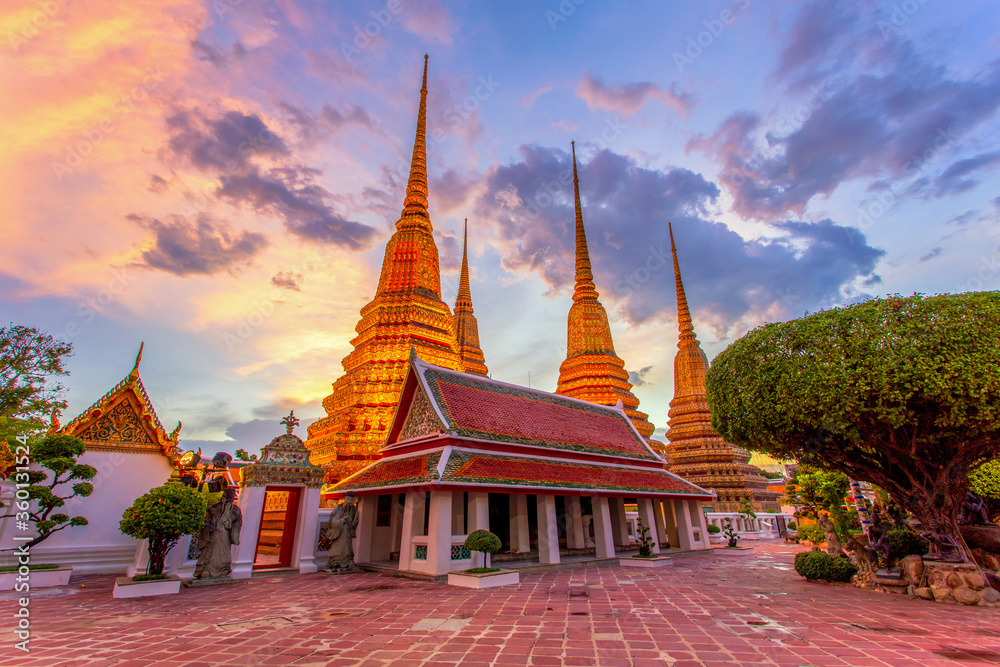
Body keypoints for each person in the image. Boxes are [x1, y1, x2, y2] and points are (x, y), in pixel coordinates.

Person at [194, 487, 243, 579]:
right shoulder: (214, 508)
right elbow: (206, 520)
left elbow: (237, 524)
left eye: (231, 496)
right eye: (228, 496)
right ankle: (206, 569)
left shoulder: (235, 510)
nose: (229, 498)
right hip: (214, 533)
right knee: (210, 551)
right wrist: (209, 527)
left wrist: (230, 526)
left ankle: (223, 568)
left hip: (225, 536)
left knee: (224, 554)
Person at [324, 494, 360, 572]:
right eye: (347, 500)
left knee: (347, 547)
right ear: (345, 499)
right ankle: (335, 561)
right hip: (339, 532)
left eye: (351, 501)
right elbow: (332, 521)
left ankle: (348, 562)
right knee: (338, 547)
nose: (349, 502)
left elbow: (355, 521)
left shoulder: (353, 510)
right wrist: (342, 521)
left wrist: (354, 522)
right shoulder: (338, 508)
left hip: (347, 532)